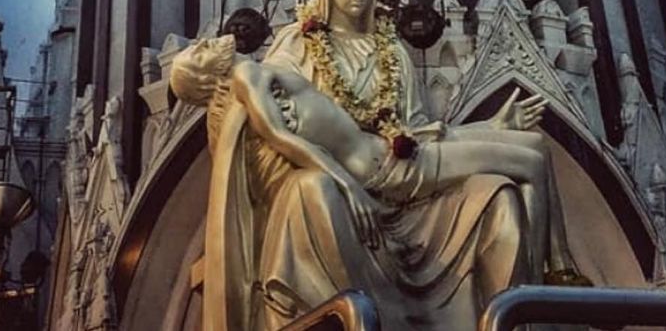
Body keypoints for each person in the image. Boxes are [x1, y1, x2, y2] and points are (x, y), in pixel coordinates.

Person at [172, 32, 568, 280]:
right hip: (385, 171)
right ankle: (550, 284)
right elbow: (280, 137)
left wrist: (490, 126)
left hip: (395, 154)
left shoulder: (260, 72)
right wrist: (347, 185)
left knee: (531, 151)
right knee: (532, 158)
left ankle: (551, 278)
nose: (204, 43)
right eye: (198, 54)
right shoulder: (248, 77)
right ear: (207, 79)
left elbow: (409, 134)